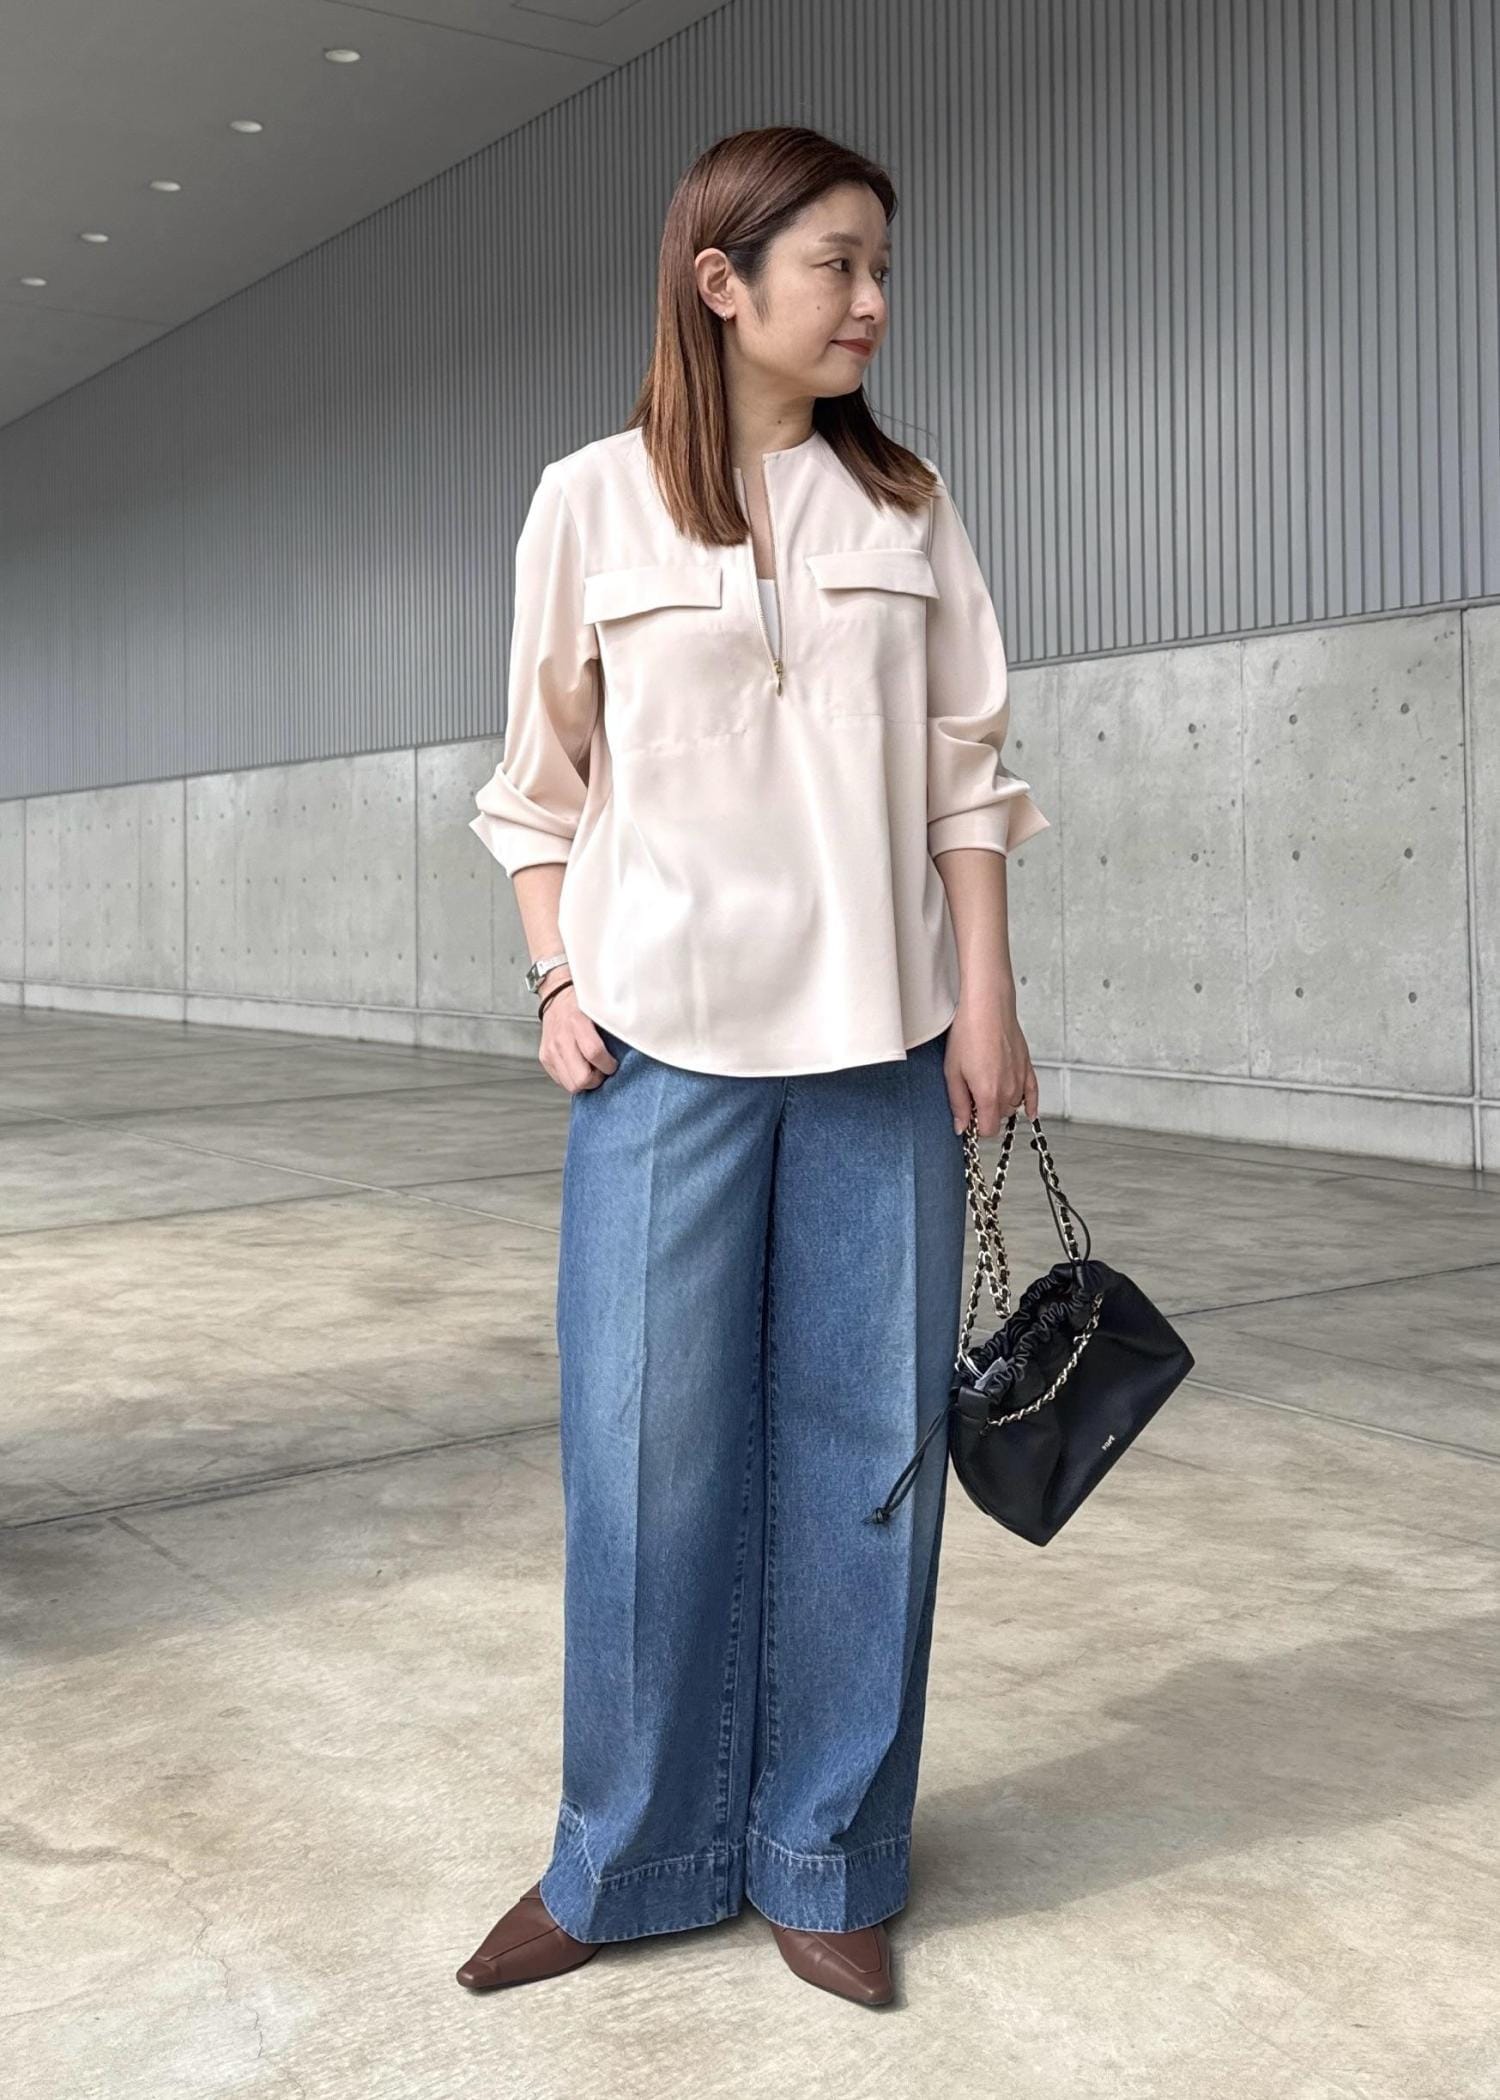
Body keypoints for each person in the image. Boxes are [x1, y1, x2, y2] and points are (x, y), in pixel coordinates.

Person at [455, 125, 1050, 2009]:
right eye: (837, 265)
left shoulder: (910, 506)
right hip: (659, 1050)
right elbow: (536, 787)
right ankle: (626, 1858)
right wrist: (556, 975)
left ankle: (827, 1855)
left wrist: (987, 998)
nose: (872, 301)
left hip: (882, 1043)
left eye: (883, 268)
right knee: (645, 1457)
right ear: (721, 281)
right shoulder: (588, 502)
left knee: (869, 1459)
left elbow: (966, 773)